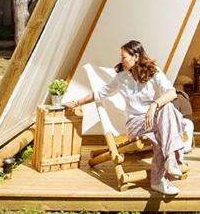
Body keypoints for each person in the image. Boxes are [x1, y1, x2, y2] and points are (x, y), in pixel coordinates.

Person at [66, 40, 187, 196]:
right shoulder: (121, 78)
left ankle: (164, 170)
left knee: (166, 111)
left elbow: (171, 93)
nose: (121, 60)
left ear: (135, 56)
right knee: (167, 120)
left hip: (155, 120)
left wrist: (154, 105)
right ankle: (166, 168)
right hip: (136, 123)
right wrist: (76, 102)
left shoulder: (153, 72)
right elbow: (99, 93)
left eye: (124, 57)